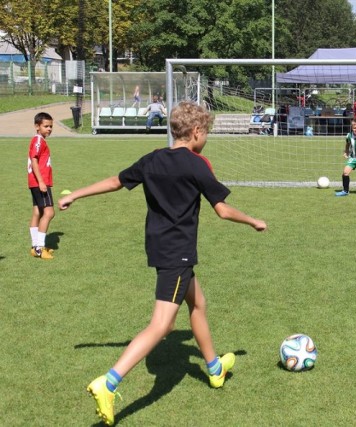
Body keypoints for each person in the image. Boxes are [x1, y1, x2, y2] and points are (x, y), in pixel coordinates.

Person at [58, 101, 267, 426]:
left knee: (197, 303)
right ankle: (109, 383)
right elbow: (223, 210)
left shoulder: (153, 159)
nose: (206, 138)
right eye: (206, 133)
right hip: (177, 253)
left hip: (159, 248)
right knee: (163, 325)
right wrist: (253, 220)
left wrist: (76, 194)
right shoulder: (197, 164)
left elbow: (116, 181)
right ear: (196, 132)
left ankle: (214, 369)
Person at [28, 112, 55, 260]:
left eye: (51, 126)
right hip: (40, 182)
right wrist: (41, 181)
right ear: (37, 127)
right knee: (49, 212)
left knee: (38, 213)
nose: (49, 129)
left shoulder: (40, 140)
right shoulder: (38, 140)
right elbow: (34, 160)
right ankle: (39, 247)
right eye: (46, 126)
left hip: (35, 182)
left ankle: (35, 247)